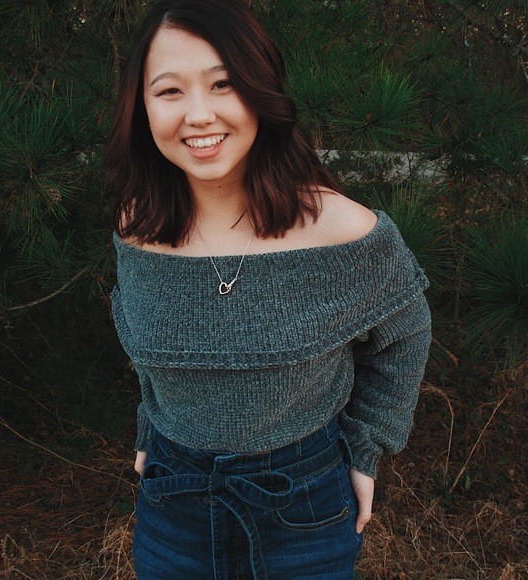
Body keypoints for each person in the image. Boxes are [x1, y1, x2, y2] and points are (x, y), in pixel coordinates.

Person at [105, 0, 432, 578]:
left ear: (261, 91)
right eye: (170, 91)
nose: (198, 114)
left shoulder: (344, 230)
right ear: (142, 106)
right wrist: (149, 425)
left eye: (223, 84)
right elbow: (142, 340)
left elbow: (404, 334)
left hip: (303, 506)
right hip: (171, 503)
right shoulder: (139, 227)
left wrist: (366, 448)